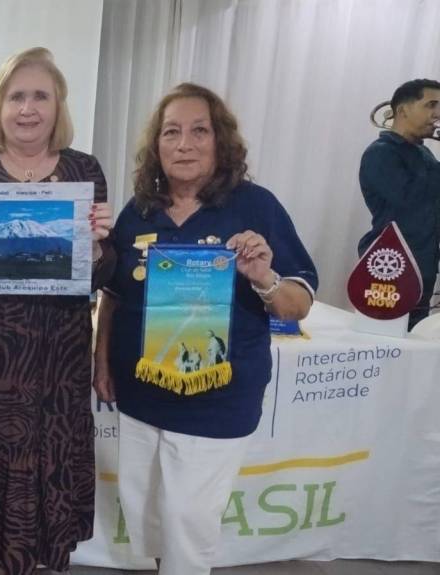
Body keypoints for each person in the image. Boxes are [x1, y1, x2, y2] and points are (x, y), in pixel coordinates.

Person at [93, 83, 318, 575]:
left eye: (199, 131)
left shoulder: (255, 206)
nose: (184, 144)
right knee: (148, 517)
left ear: (221, 142)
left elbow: (298, 303)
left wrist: (263, 278)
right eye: (171, 132)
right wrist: (102, 362)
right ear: (157, 145)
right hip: (139, 393)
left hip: (216, 400)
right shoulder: (139, 210)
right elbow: (113, 296)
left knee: (188, 525)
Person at [0, 47, 114, 575]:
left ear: (58, 106)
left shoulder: (84, 170)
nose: (27, 109)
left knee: (47, 455)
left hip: (56, 356)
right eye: (16, 97)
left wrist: (98, 244)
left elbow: (100, 275)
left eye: (40, 96)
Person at [357, 78, 440, 327]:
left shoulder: (424, 154)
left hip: (422, 266)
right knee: (383, 340)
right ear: (403, 110)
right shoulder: (381, 152)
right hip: (391, 266)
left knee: (414, 338)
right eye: (431, 105)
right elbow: (412, 200)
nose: (437, 114)